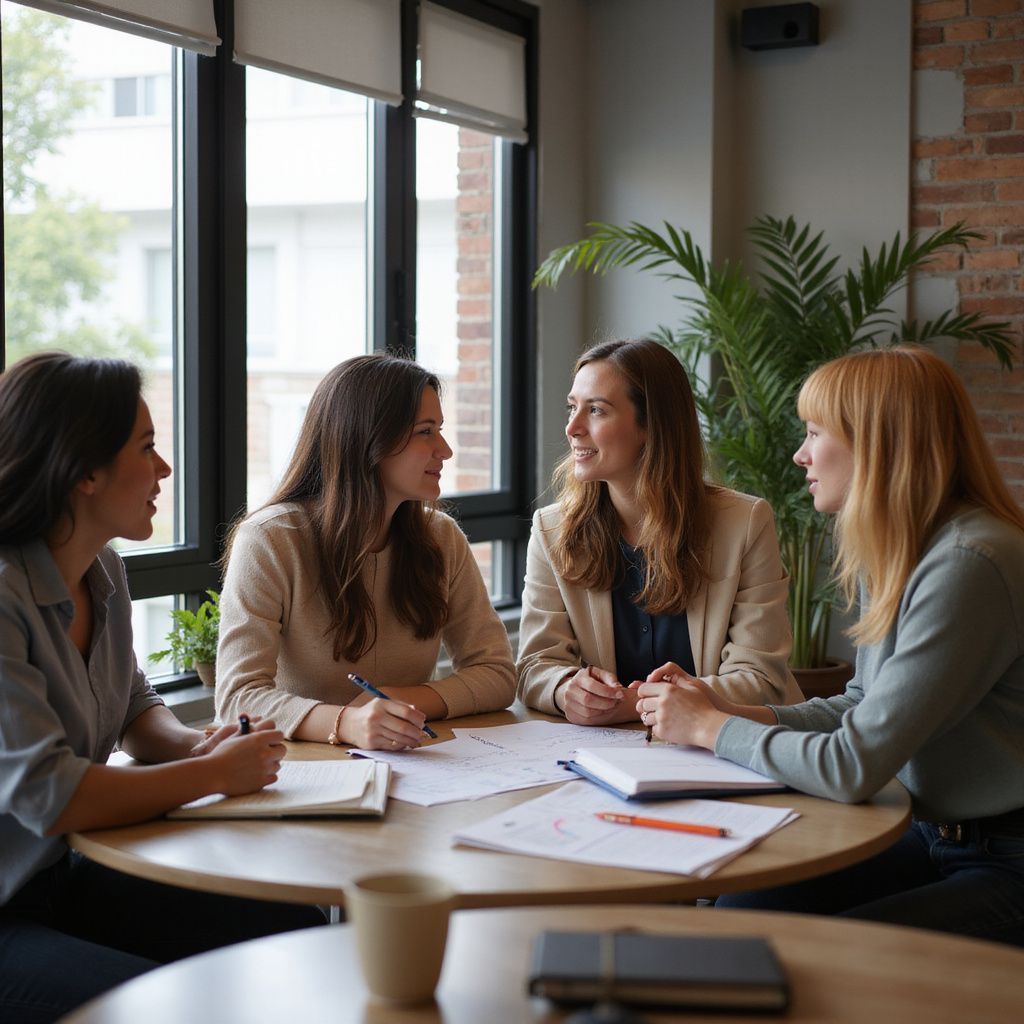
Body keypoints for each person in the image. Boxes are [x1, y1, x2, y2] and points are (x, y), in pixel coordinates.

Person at [636, 345, 1024, 945]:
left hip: (1007, 860)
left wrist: (708, 731)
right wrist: (721, 709)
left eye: (816, 432)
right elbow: (858, 706)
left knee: (824, 955)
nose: (800, 454)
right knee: (742, 913)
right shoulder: (901, 549)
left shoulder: (969, 562)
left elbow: (853, 765)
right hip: (929, 833)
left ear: (878, 442)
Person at [0, 353, 326, 1024]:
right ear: (83, 470)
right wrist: (212, 775)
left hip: (63, 879)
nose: (165, 469)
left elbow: (133, 707)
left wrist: (194, 743)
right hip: (6, 908)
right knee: (165, 1007)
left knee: (294, 923)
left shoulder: (104, 572)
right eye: (147, 447)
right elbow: (53, 796)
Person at [216, 353, 515, 751]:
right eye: (426, 431)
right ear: (369, 439)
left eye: (439, 430)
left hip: (410, 764)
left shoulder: (441, 537)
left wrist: (396, 699)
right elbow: (237, 698)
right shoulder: (271, 539)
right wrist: (347, 723)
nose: (444, 449)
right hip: (307, 772)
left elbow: (497, 673)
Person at [516, 338, 802, 725]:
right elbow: (536, 664)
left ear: (651, 424)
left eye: (596, 410)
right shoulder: (552, 530)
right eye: (572, 408)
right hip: (607, 757)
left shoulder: (744, 523)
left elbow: (760, 678)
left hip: (727, 747)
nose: (572, 428)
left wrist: (640, 702)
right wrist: (567, 689)